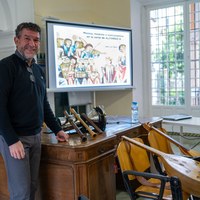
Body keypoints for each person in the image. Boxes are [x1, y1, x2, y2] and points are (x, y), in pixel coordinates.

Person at [0, 22, 69, 200]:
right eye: (27, 38)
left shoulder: (38, 69)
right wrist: (12, 140)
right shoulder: (5, 67)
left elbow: (43, 103)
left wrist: (57, 129)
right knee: (21, 192)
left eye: (36, 40)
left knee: (32, 188)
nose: (32, 43)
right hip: (16, 139)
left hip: (35, 136)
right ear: (16, 40)